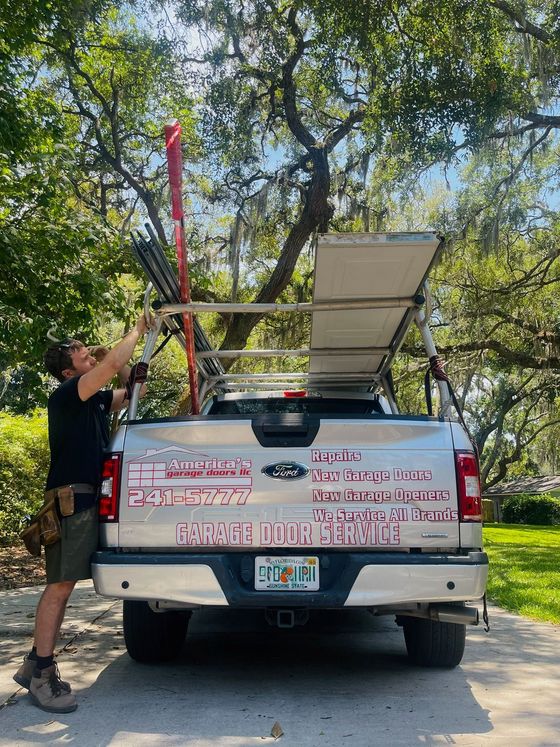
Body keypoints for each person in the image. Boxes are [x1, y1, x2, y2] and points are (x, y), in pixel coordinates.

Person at [13, 313, 151, 713]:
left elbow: (135, 390)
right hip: (71, 501)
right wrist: (137, 331)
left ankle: (32, 665)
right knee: (59, 586)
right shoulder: (68, 394)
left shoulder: (92, 400)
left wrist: (118, 362)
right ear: (68, 370)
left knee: (64, 585)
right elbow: (112, 366)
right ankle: (41, 674)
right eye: (79, 352)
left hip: (87, 500)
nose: (86, 350)